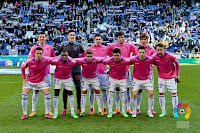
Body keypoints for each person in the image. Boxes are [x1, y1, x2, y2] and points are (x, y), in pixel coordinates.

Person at [107, 32, 137, 115]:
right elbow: (107, 50)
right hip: (115, 71)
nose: (121, 38)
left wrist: (132, 57)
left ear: (124, 38)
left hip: (126, 71)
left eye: (122, 37)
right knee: (116, 90)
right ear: (117, 38)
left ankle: (128, 108)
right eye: (119, 37)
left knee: (126, 90)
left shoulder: (129, 45)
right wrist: (111, 57)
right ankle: (117, 108)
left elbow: (136, 50)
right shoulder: (113, 46)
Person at [21, 47, 53, 119]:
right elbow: (22, 68)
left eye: (40, 53)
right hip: (30, 81)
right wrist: (24, 79)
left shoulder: (46, 60)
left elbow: (55, 59)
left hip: (41, 81)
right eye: (37, 53)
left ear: (42, 54)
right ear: (34, 54)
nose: (38, 55)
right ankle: (24, 113)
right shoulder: (30, 61)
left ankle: (47, 113)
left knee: (47, 95)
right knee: (24, 96)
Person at [28, 32, 55, 117]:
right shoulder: (34, 48)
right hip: (36, 75)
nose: (42, 38)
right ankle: (33, 110)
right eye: (40, 37)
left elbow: (53, 59)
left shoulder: (49, 48)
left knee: (47, 92)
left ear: (46, 38)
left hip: (46, 73)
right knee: (36, 92)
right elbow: (29, 61)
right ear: (38, 38)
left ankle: (48, 111)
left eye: (43, 37)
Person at [58, 29, 85, 115]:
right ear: (68, 36)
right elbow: (57, 54)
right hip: (66, 71)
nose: (72, 37)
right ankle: (65, 108)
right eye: (70, 35)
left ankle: (79, 107)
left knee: (78, 88)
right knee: (66, 89)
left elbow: (83, 54)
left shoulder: (78, 45)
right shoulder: (63, 45)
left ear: (75, 36)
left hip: (77, 70)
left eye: (73, 35)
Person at [152, 43, 180, 117]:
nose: (159, 51)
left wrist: (177, 75)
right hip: (161, 79)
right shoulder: (154, 57)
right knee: (161, 94)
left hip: (171, 78)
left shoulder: (170, 56)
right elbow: (150, 62)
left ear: (164, 49)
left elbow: (177, 63)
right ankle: (163, 111)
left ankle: (175, 112)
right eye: (157, 50)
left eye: (161, 50)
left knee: (174, 94)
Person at [103, 48, 131, 118]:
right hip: (112, 79)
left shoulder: (125, 60)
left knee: (124, 94)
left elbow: (133, 60)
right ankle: (110, 111)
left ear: (120, 55)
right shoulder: (109, 60)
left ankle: (123, 111)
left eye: (117, 55)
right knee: (110, 94)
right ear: (112, 55)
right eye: (114, 55)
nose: (116, 57)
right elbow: (100, 60)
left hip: (122, 79)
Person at [84, 34, 108, 115]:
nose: (98, 40)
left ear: (101, 40)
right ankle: (92, 107)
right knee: (92, 90)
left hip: (103, 73)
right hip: (92, 74)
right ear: (94, 40)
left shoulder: (105, 48)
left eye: (99, 39)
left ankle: (104, 108)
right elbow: (84, 58)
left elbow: (113, 56)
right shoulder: (89, 49)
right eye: (96, 39)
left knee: (104, 90)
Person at [76, 49, 104, 117]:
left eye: (90, 56)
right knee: (84, 93)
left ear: (92, 56)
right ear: (85, 56)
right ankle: (83, 111)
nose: (89, 58)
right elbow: (72, 60)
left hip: (94, 78)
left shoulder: (96, 60)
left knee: (97, 92)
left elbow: (106, 59)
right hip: (85, 78)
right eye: (88, 56)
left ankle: (100, 110)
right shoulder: (81, 60)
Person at [51, 50, 78, 119]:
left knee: (70, 94)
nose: (64, 57)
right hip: (57, 78)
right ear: (60, 55)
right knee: (56, 93)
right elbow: (49, 61)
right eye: (62, 55)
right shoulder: (56, 61)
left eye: (65, 55)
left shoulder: (72, 61)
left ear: (67, 56)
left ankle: (72, 112)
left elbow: (77, 61)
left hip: (67, 78)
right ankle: (56, 112)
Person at [130, 46, 154, 118]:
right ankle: (134, 111)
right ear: (137, 53)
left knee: (151, 93)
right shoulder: (134, 59)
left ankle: (149, 111)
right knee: (134, 94)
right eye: (140, 52)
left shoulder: (150, 59)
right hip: (136, 79)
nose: (141, 54)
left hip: (147, 79)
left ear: (146, 53)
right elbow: (124, 62)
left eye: (143, 52)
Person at [136, 33, 156, 115]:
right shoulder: (136, 49)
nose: (143, 41)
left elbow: (155, 59)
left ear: (147, 40)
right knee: (138, 91)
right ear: (140, 40)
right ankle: (137, 108)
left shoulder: (151, 49)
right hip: (139, 74)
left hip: (149, 74)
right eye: (142, 39)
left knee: (150, 92)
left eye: (145, 39)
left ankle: (151, 109)